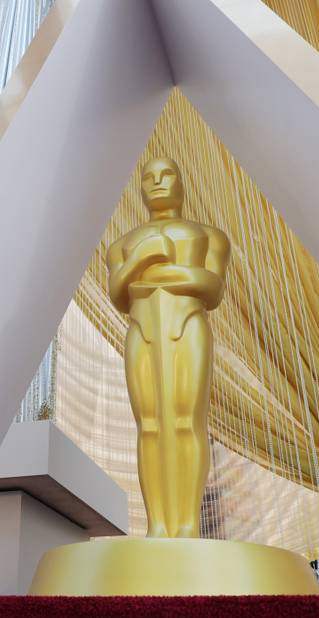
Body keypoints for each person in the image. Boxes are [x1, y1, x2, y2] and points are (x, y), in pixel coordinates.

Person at [106, 157, 230, 538]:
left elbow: (212, 287)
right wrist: (142, 260)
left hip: (188, 325)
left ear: (181, 182)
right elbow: (118, 293)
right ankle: (158, 524)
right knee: (149, 426)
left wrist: (160, 276)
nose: (157, 182)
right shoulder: (123, 245)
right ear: (140, 188)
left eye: (167, 175)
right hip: (141, 330)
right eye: (149, 177)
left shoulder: (208, 236)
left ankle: (187, 523)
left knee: (185, 420)